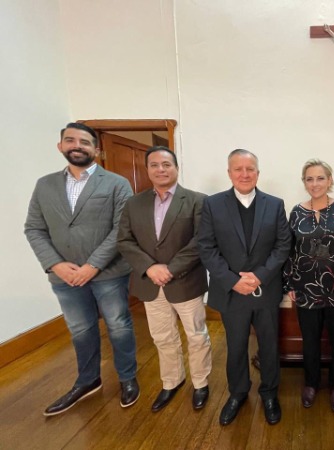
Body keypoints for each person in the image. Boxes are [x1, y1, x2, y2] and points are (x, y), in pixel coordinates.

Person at [24, 122, 138, 416]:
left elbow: (121, 229)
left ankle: (128, 377)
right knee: (80, 329)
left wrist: (92, 265)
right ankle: (88, 380)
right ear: (60, 146)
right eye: (70, 140)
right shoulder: (45, 185)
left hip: (109, 273)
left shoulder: (116, 183)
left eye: (85, 142)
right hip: (64, 276)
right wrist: (55, 264)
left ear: (96, 150)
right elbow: (34, 228)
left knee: (119, 325)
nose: (77, 146)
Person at [198, 149, 291, 426]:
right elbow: (206, 247)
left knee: (269, 346)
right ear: (229, 173)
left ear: (258, 173)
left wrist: (260, 276)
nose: (244, 174)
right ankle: (237, 393)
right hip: (232, 291)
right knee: (236, 345)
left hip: (266, 289)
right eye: (238, 169)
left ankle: (270, 393)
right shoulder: (213, 204)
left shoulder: (275, 204)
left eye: (250, 169)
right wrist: (233, 281)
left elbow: (283, 245)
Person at [117, 146, 212, 413]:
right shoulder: (133, 204)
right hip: (150, 283)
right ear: (147, 170)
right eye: (155, 165)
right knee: (162, 337)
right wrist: (149, 268)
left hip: (185, 281)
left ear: (176, 168)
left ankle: (201, 383)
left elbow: (201, 241)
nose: (161, 169)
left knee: (197, 336)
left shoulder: (197, 201)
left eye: (167, 164)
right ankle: (172, 381)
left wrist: (170, 269)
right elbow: (124, 240)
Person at [283, 159, 334, 413]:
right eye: (309, 179)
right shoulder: (296, 212)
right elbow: (290, 251)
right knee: (310, 340)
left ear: (330, 180)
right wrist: (289, 282)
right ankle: (311, 383)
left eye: (320, 178)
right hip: (306, 288)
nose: (315, 183)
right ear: (304, 182)